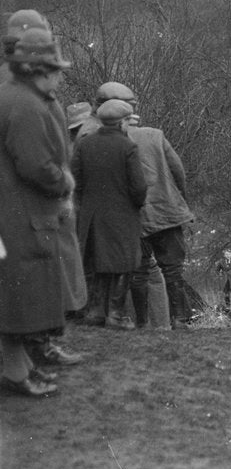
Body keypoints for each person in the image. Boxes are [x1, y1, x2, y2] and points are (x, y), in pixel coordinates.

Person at [0, 27, 82, 396]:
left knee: (16, 295)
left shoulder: (15, 97)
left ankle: (21, 367)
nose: (60, 77)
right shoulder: (26, 105)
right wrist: (63, 181)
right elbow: (35, 165)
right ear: (36, 70)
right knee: (19, 297)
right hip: (18, 215)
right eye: (55, 70)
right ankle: (17, 373)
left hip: (17, 212)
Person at [72, 99, 149, 330]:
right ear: (122, 122)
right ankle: (117, 314)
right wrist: (137, 203)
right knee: (123, 263)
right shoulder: (128, 147)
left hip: (91, 214)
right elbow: (139, 187)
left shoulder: (85, 144)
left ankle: (95, 312)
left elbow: (75, 179)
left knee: (96, 262)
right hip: (122, 215)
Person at [126, 105, 194, 330]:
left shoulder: (115, 140)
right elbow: (178, 170)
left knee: (139, 270)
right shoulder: (155, 135)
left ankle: (143, 323)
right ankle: (179, 319)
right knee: (173, 269)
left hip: (136, 215)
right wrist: (180, 197)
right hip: (167, 210)